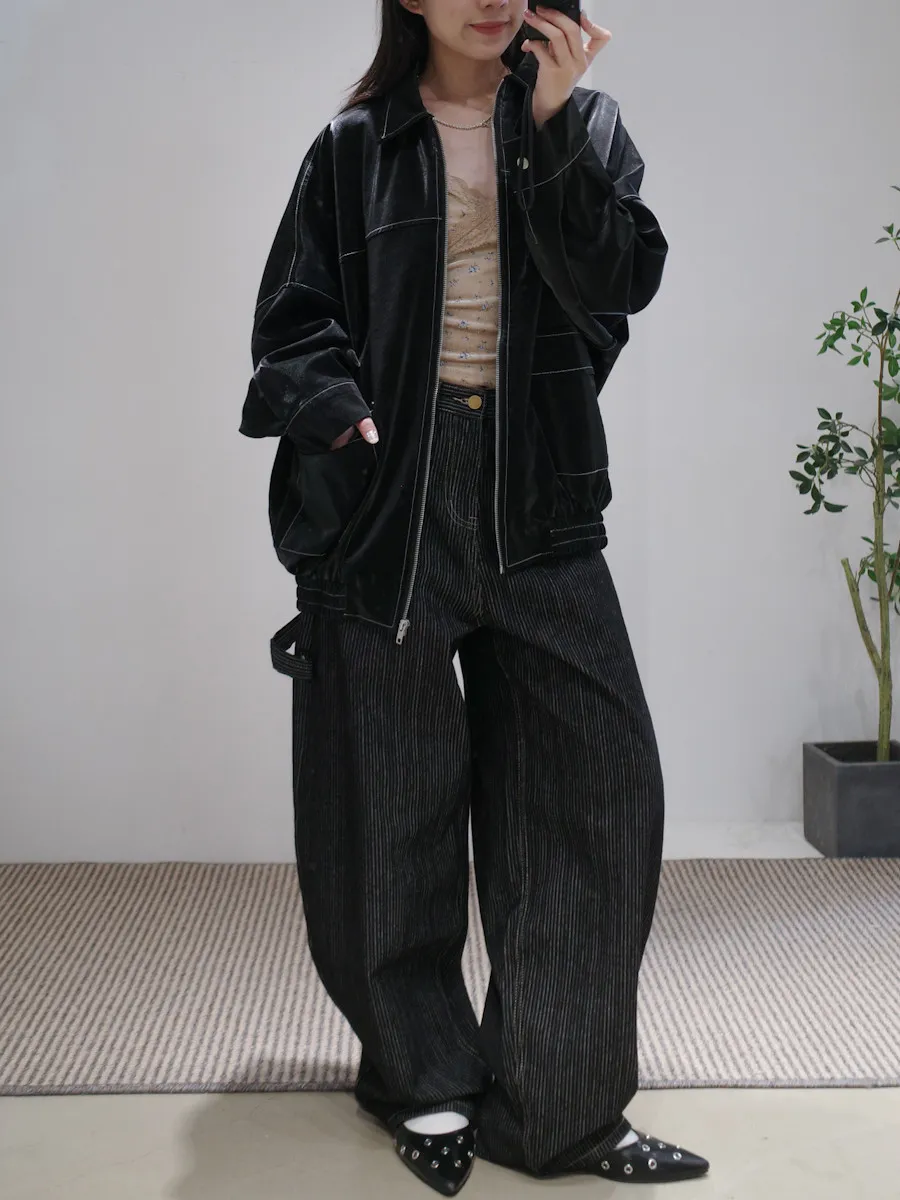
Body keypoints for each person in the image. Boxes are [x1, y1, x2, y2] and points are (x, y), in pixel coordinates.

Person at [240, 1, 709, 1194]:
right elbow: (291, 321)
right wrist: (336, 413)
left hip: (539, 491)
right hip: (385, 496)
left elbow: (621, 279)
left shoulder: (586, 127)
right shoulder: (355, 146)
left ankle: (562, 1106)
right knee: (388, 801)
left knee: (596, 785)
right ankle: (427, 1080)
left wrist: (550, 125)